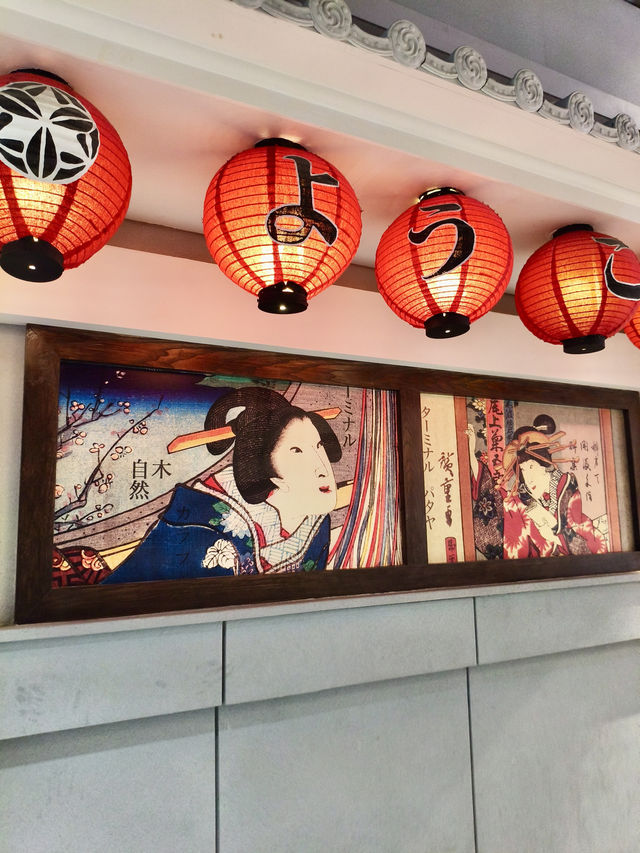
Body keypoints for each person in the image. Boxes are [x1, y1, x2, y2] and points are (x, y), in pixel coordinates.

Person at [101, 387, 342, 582]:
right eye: (297, 450)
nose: (321, 467)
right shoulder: (200, 528)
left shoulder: (315, 518)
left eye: (319, 445)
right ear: (263, 464)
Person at [467, 414, 607, 560]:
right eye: (523, 470)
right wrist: (471, 454)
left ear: (544, 465)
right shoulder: (522, 498)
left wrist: (553, 533)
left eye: (532, 467)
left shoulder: (566, 489)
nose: (529, 477)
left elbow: (585, 546)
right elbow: (493, 494)